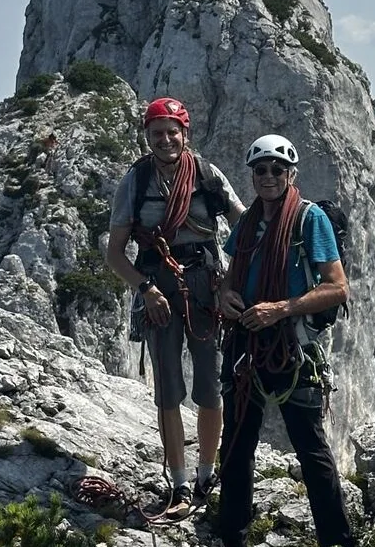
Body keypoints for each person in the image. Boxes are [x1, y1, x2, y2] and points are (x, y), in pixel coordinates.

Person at [105, 97, 245, 518]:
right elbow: (114, 255)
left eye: (172, 132)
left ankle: (206, 473)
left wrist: (229, 284)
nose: (165, 140)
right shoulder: (136, 181)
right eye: (157, 133)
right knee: (167, 388)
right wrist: (146, 289)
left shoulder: (205, 174)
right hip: (158, 285)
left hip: (205, 281)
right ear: (147, 137)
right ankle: (181, 484)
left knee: (209, 382)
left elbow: (244, 224)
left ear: (185, 134)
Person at [216, 134, 354, 547]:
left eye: (277, 169)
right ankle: (232, 537)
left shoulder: (310, 220)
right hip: (246, 344)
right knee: (236, 448)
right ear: (253, 176)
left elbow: (338, 288)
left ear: (291, 174)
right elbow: (229, 276)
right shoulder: (245, 223)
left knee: (311, 452)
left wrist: (280, 309)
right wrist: (224, 296)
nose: (269, 177)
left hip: (292, 346)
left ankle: (338, 540)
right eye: (261, 170)